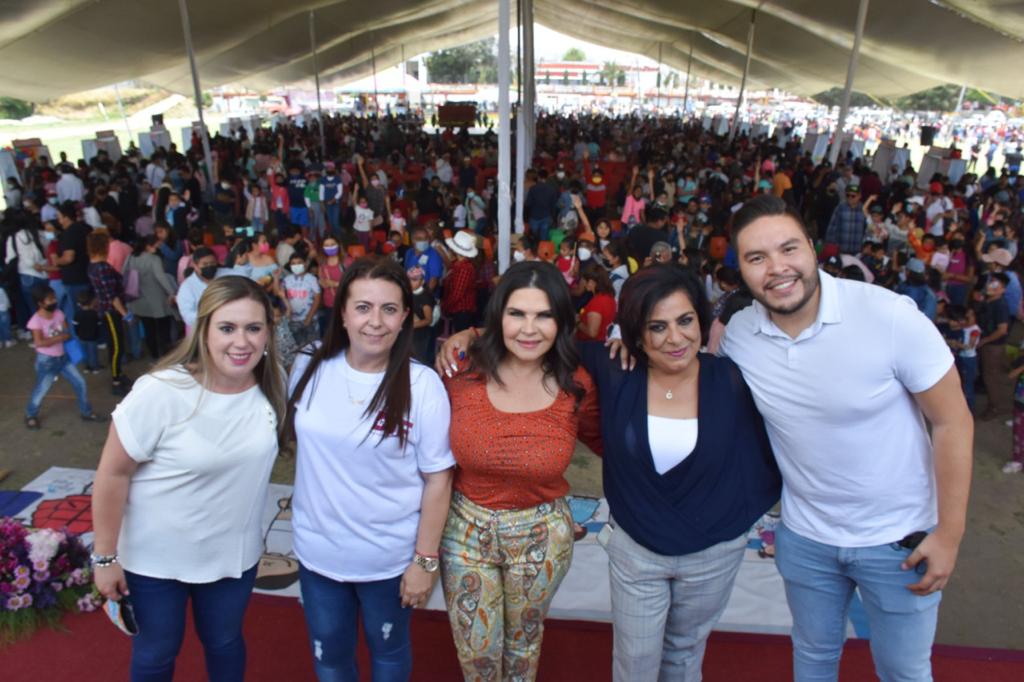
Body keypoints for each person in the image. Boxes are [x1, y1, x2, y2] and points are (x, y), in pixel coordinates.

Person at [440, 265, 780, 681]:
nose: (674, 337)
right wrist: (471, 334)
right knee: (631, 662)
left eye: (685, 321)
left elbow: (779, 444)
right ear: (636, 332)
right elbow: (535, 342)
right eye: (657, 326)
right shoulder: (612, 370)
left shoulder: (730, 379)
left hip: (710, 551)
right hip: (635, 549)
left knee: (684, 656)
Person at [716, 195, 972, 681]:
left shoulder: (889, 316)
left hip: (899, 543)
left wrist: (950, 534)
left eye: (788, 249)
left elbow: (953, 421)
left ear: (813, 250)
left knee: (904, 672)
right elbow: (691, 371)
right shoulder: (741, 336)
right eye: (756, 258)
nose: (777, 268)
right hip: (805, 539)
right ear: (742, 271)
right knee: (812, 659)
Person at [92, 276, 285, 682]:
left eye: (253, 328)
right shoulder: (160, 391)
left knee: (225, 642)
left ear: (268, 331)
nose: (242, 341)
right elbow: (112, 473)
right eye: (227, 328)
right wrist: (105, 557)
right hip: (155, 560)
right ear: (203, 330)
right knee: (157, 652)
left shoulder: (273, 385)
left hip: (234, 557)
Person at [286, 257, 455, 681]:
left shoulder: (424, 387)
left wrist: (425, 561)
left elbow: (439, 478)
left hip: (389, 561)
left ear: (405, 319)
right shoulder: (307, 365)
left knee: (389, 653)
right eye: (363, 307)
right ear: (342, 312)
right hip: (318, 556)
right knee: (330, 658)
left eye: (389, 309)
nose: (375, 322)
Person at [438, 261, 602, 681]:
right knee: (477, 653)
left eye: (544, 315)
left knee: (523, 648)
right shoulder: (461, 367)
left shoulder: (576, 383)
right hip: (465, 529)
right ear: (498, 316)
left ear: (562, 321)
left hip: (541, 535)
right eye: (517, 314)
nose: (529, 328)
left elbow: (613, 444)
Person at [24, 284, 106, 430]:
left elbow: (67, 334)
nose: (54, 301)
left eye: (54, 297)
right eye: (50, 299)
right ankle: (31, 414)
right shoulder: (36, 321)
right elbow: (39, 343)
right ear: (40, 303)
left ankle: (86, 412)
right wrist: (59, 337)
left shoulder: (58, 313)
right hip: (47, 362)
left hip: (63, 358)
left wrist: (57, 338)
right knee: (41, 390)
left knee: (80, 383)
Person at [87, 231, 132, 395]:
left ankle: (118, 373)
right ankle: (116, 379)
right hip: (111, 312)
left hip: (106, 310)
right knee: (117, 346)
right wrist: (125, 313)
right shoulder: (103, 268)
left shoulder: (92, 266)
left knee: (116, 345)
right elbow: (111, 295)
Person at [127, 235, 178, 361]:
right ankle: (166, 356)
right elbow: (161, 278)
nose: (158, 247)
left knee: (149, 329)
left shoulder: (131, 257)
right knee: (163, 328)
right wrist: (172, 292)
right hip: (157, 300)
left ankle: (154, 355)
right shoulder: (154, 259)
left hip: (139, 300)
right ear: (148, 246)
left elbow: (124, 275)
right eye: (156, 245)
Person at [280, 253, 321, 350]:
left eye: (299, 263)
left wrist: (309, 318)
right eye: (293, 263)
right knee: (297, 349)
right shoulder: (287, 280)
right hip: (293, 321)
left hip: (310, 320)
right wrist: (276, 278)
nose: (296, 265)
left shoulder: (312, 279)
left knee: (313, 348)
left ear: (305, 264)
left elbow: (317, 299)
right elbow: (278, 292)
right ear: (290, 266)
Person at [576, 263, 617, 342]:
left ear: (591, 282)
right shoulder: (609, 296)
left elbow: (592, 333)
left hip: (590, 345)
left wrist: (577, 322)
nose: (582, 284)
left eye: (583, 281)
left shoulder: (597, 302)